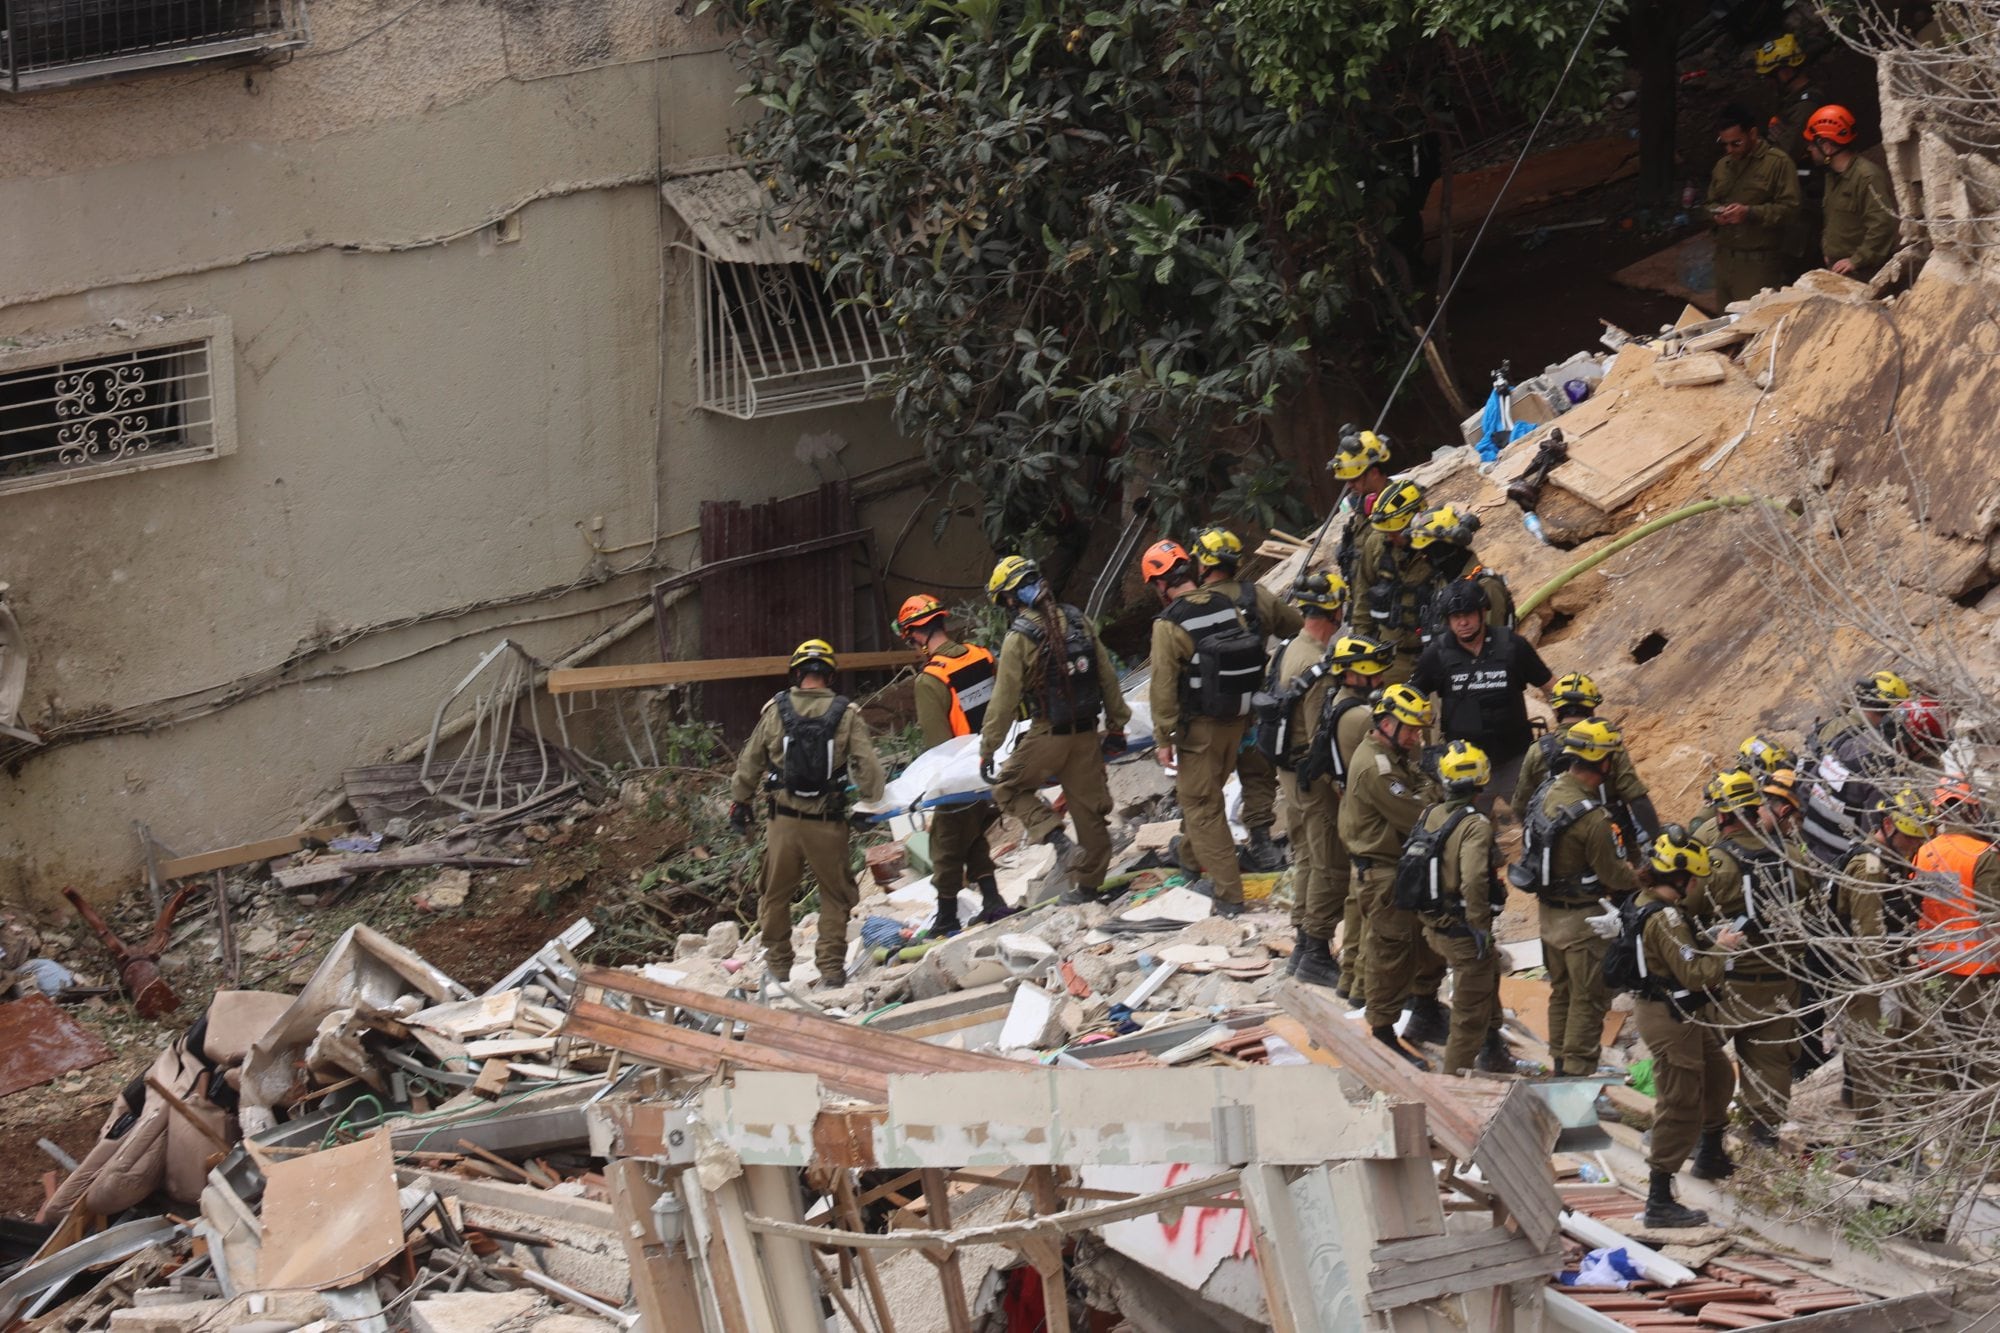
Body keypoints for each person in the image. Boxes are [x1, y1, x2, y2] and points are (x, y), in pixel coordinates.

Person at [1144, 538, 1300, 917]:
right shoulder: (1228, 605)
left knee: (1201, 806)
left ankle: (1228, 894)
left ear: (1161, 583)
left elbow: (1163, 686)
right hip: (1241, 721)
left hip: (1201, 730)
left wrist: (1163, 738)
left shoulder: (1168, 624)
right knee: (1206, 800)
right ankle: (1187, 854)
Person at [729, 639, 888, 988]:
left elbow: (749, 762)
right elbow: (871, 774)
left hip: (782, 822)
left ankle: (777, 968)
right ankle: (831, 970)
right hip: (827, 824)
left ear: (797, 673)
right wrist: (868, 801)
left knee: (774, 894)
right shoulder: (846, 714)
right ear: (829, 676)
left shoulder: (775, 711)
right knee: (835, 895)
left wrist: (739, 801)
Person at [979, 556, 1129, 904]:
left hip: (1048, 735)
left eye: (1005, 600)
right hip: (1088, 736)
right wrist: (1118, 726)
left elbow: (1003, 702)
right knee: (1090, 813)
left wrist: (989, 747)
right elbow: (1108, 678)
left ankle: (1059, 842)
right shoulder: (1079, 621)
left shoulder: (1020, 638)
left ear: (1011, 599)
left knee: (1008, 788)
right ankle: (1088, 889)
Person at [1620, 828, 1748, 1227]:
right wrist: (1722, 949)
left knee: (1717, 1073)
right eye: (1693, 880)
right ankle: (1659, 1197)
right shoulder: (1666, 917)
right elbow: (1694, 973)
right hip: (1668, 1016)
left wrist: (1707, 940)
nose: (1695, 887)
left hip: (1679, 1013)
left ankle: (1710, 1152)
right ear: (1678, 879)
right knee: (1679, 1102)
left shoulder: (1650, 905)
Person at [1514, 718, 1638, 1077]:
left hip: (1550, 918)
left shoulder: (1547, 793)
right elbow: (1615, 875)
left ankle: (1559, 1064)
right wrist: (1641, 876)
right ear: (1601, 762)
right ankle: (1577, 1075)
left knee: (1562, 993)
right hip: (1584, 925)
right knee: (1589, 1000)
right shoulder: (1594, 819)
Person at [896, 594, 1015, 935]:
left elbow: (939, 746)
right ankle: (992, 900)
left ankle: (946, 916)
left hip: (961, 771)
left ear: (914, 635)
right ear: (941, 622)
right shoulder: (982, 656)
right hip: (996, 761)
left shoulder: (931, 678)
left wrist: (934, 785)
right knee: (974, 833)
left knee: (945, 843)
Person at [1339, 683, 1446, 1064]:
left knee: (1425, 944)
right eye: (1411, 730)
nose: (1416, 738)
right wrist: (1434, 793)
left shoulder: (1393, 754)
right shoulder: (1376, 767)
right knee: (1391, 954)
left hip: (1403, 867)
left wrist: (1429, 789)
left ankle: (1424, 1011)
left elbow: (1423, 786)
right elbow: (1421, 814)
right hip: (1383, 873)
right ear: (1386, 724)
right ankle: (1382, 1030)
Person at [1697, 770, 1803, 1146]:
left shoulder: (1716, 864)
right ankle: (1764, 1139)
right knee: (1772, 1064)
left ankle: (1704, 1138)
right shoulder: (1790, 855)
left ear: (1723, 816)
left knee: (1701, 1056)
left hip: (1729, 985)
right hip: (1780, 982)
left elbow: (1685, 911)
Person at [1256, 572, 1346, 985]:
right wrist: (1342, 787)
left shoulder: (1287, 648)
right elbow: (1319, 739)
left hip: (1287, 775)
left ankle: (1303, 945)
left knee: (1307, 858)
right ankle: (1315, 949)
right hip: (1310, 777)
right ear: (1335, 610)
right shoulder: (1317, 665)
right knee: (1329, 864)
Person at [1404, 740, 1513, 1074]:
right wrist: (1480, 927)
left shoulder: (1431, 813)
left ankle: (1494, 1050)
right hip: (1463, 930)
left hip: (1434, 926)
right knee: (1467, 1019)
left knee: (1488, 974)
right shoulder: (1475, 825)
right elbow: (1473, 881)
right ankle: (1453, 1084)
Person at [1193, 528, 1296, 871]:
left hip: (1209, 714)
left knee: (1203, 786)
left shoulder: (1193, 605)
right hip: (1254, 705)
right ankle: (1262, 842)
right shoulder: (1258, 597)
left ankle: (1196, 852)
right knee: (1258, 776)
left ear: (1204, 563)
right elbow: (1294, 628)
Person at [1409, 578, 1552, 818]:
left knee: (1540, 822)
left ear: (1482, 612)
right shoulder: (1437, 653)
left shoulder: (1513, 645)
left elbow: (1550, 685)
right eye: (1455, 617)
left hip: (1515, 760)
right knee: (1467, 835)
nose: (1462, 622)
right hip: (1463, 768)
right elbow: (1411, 699)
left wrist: (1570, 720)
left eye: (1468, 614)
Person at [1306, 632, 1399, 996]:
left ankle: (1350, 976)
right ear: (1355, 673)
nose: (1379, 678)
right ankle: (1362, 980)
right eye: (1373, 672)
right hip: (1366, 815)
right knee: (1369, 898)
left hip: (1348, 805)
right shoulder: (1362, 717)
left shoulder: (1338, 701)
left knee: (1355, 892)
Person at [1834, 789, 1934, 1117]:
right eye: (1909, 838)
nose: (1915, 846)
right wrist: (1885, 988)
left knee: (1915, 1051)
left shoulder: (1894, 860)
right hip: (1866, 977)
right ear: (1888, 826)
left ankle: (1905, 1134)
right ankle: (1872, 1145)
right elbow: (1869, 937)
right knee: (1874, 1061)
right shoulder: (1870, 866)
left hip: (1894, 969)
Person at [1514, 672, 1661, 856]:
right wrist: (1658, 841)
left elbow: (1521, 806)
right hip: (1612, 841)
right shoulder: (1608, 743)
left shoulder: (1537, 750)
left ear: (1556, 710)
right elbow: (1636, 799)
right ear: (1592, 709)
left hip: (1560, 848)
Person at [1914, 824, 2000, 1088]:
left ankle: (1957, 1122)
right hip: (1978, 973)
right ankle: (1987, 1126)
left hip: (1936, 967)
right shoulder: (1982, 855)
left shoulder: (1926, 849)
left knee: (1949, 1051)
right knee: (1987, 1054)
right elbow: (1993, 920)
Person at [1707, 103, 1804, 307]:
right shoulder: (1722, 166)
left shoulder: (1778, 163)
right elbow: (1710, 202)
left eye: (1736, 143)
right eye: (1724, 144)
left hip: (1758, 264)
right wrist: (1715, 214)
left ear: (1752, 134)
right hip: (1725, 258)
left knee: (1754, 324)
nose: (1730, 150)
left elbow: (1791, 210)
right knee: (1725, 325)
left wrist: (1750, 213)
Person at [1352, 480, 1433, 685]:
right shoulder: (1376, 544)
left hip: (1435, 653)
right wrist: (1363, 648)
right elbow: (1362, 595)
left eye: (1394, 531)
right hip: (1393, 658)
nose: (1389, 537)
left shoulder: (1438, 543)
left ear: (1413, 522)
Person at [1804, 106, 1899, 280]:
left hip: (1862, 272)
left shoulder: (1866, 176)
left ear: (1827, 146)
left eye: (1812, 143)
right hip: (1839, 269)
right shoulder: (1833, 176)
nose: (1809, 149)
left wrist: (1857, 260)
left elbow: (1882, 225)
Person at [1408, 504, 1513, 633]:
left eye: (1428, 551)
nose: (1425, 557)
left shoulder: (1486, 587)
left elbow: (1492, 646)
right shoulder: (1443, 583)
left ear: (1445, 548)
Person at [1329, 427, 1393, 594]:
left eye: (1354, 480)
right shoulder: (1361, 508)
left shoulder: (1398, 508)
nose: (1349, 486)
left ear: (1373, 473)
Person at [1754, 34, 1819, 168]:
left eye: (1769, 76)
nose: (1768, 82)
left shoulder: (1805, 106)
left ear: (1785, 72)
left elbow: (1783, 157)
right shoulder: (1792, 99)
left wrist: (1755, 144)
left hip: (1813, 178)